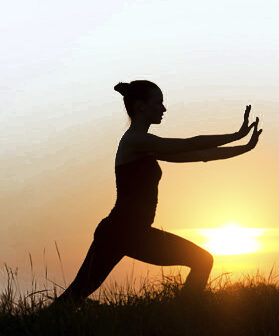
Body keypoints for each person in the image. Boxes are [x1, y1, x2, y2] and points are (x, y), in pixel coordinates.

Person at [54, 80, 263, 306]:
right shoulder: (136, 140)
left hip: (133, 233)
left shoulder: (147, 146)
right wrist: (235, 135)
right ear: (141, 107)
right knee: (74, 297)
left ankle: (180, 318)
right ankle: (181, 317)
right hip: (120, 231)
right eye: (159, 103)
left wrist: (244, 147)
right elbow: (189, 144)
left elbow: (200, 154)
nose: (164, 109)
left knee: (202, 261)